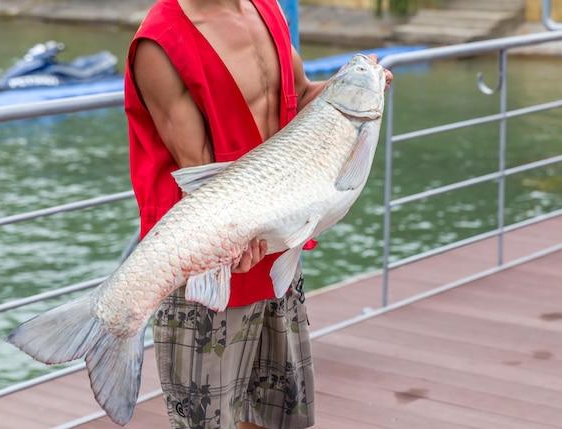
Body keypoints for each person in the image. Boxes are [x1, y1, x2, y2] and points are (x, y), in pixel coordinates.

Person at [124, 0, 392, 427]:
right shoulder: (160, 44)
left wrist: (357, 89)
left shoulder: (264, 6)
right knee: (209, 424)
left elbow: (301, 95)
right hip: (208, 258)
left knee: (278, 417)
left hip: (276, 247)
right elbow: (202, 181)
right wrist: (229, 242)